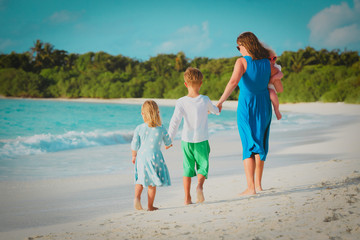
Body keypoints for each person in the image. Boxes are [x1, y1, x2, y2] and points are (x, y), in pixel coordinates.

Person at [216, 32, 273, 196]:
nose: (238, 49)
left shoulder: (241, 62)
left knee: (249, 145)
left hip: (247, 106)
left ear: (244, 44)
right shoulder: (266, 62)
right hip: (264, 105)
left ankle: (250, 188)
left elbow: (233, 82)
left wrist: (220, 102)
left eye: (238, 46)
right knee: (260, 143)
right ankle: (259, 185)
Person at [168, 67, 219, 205]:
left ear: (185, 84)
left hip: (186, 141)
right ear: (201, 83)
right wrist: (218, 108)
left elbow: (175, 122)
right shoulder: (205, 99)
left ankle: (187, 198)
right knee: (203, 166)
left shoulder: (181, 101)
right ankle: (199, 186)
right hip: (201, 140)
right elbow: (215, 111)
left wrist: (169, 139)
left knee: (187, 168)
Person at [131, 100, 173, 211]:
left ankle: (136, 198)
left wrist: (134, 156)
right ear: (157, 113)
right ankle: (150, 206)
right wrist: (168, 145)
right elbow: (168, 142)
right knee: (151, 183)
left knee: (140, 180)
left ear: (142, 114)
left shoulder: (139, 128)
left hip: (141, 157)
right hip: (154, 158)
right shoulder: (161, 128)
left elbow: (134, 145)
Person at [267, 48, 284, 120]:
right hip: (265, 86)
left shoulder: (277, 66)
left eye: (274, 58)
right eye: (269, 59)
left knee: (273, 93)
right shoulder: (264, 66)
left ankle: (276, 110)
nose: (271, 61)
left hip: (271, 87)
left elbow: (281, 74)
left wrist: (274, 78)